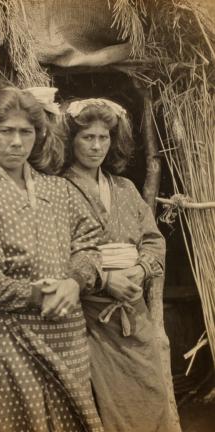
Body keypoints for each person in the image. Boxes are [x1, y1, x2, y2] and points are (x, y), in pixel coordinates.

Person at [0, 86, 105, 432]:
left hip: (67, 337)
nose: (16, 142)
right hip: (9, 341)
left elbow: (90, 243)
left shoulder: (58, 190)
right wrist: (35, 294)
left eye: (25, 132)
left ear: (38, 135)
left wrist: (73, 282)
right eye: (6, 131)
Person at [62, 98, 170, 432]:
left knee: (150, 393)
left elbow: (153, 240)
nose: (96, 146)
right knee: (103, 409)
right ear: (71, 141)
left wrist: (139, 271)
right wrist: (106, 280)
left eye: (104, 137)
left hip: (133, 314)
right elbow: (53, 251)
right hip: (88, 318)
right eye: (87, 137)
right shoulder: (57, 189)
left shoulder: (125, 188)